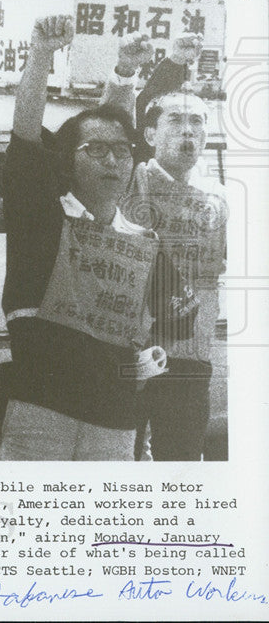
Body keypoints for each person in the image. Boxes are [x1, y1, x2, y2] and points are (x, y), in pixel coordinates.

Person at [0, 15, 197, 461]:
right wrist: (41, 54)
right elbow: (26, 138)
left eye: (123, 152)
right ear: (66, 164)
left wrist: (150, 357)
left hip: (117, 424)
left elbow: (180, 317)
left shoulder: (144, 242)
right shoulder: (43, 221)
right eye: (96, 151)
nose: (113, 160)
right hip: (41, 415)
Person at [103, 32, 226, 460]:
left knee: (184, 463)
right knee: (123, 459)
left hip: (192, 354)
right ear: (150, 133)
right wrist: (127, 73)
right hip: (131, 347)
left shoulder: (219, 196)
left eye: (198, 123)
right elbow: (112, 126)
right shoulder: (130, 178)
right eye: (176, 122)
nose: (189, 132)